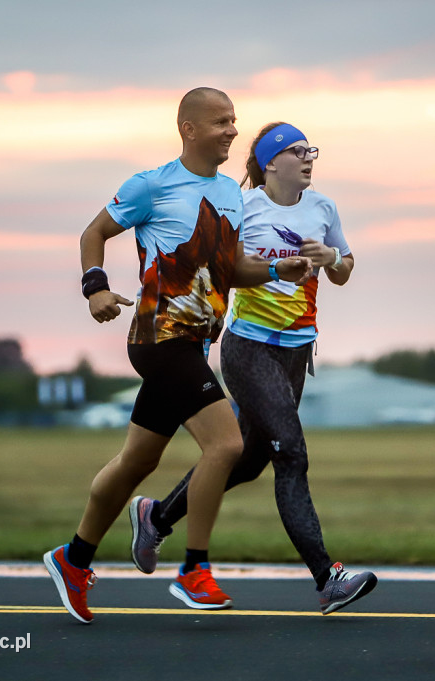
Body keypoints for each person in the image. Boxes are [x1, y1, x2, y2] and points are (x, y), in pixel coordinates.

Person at [44, 91, 313, 624]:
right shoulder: (152, 184)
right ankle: (194, 570)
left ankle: (72, 560)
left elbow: (231, 268)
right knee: (227, 444)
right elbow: (94, 233)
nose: (233, 130)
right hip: (158, 339)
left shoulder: (231, 195)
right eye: (220, 122)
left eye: (234, 120)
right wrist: (95, 288)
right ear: (188, 129)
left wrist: (281, 271)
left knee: (137, 462)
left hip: (195, 345)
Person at [127, 121, 377, 615]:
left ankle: (156, 516)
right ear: (270, 162)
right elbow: (224, 270)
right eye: (299, 151)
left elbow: (345, 268)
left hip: (297, 351)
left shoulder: (323, 207)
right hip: (249, 348)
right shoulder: (244, 207)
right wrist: (269, 269)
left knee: (248, 460)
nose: (309, 159)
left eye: (312, 151)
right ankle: (328, 578)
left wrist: (331, 259)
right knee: (292, 454)